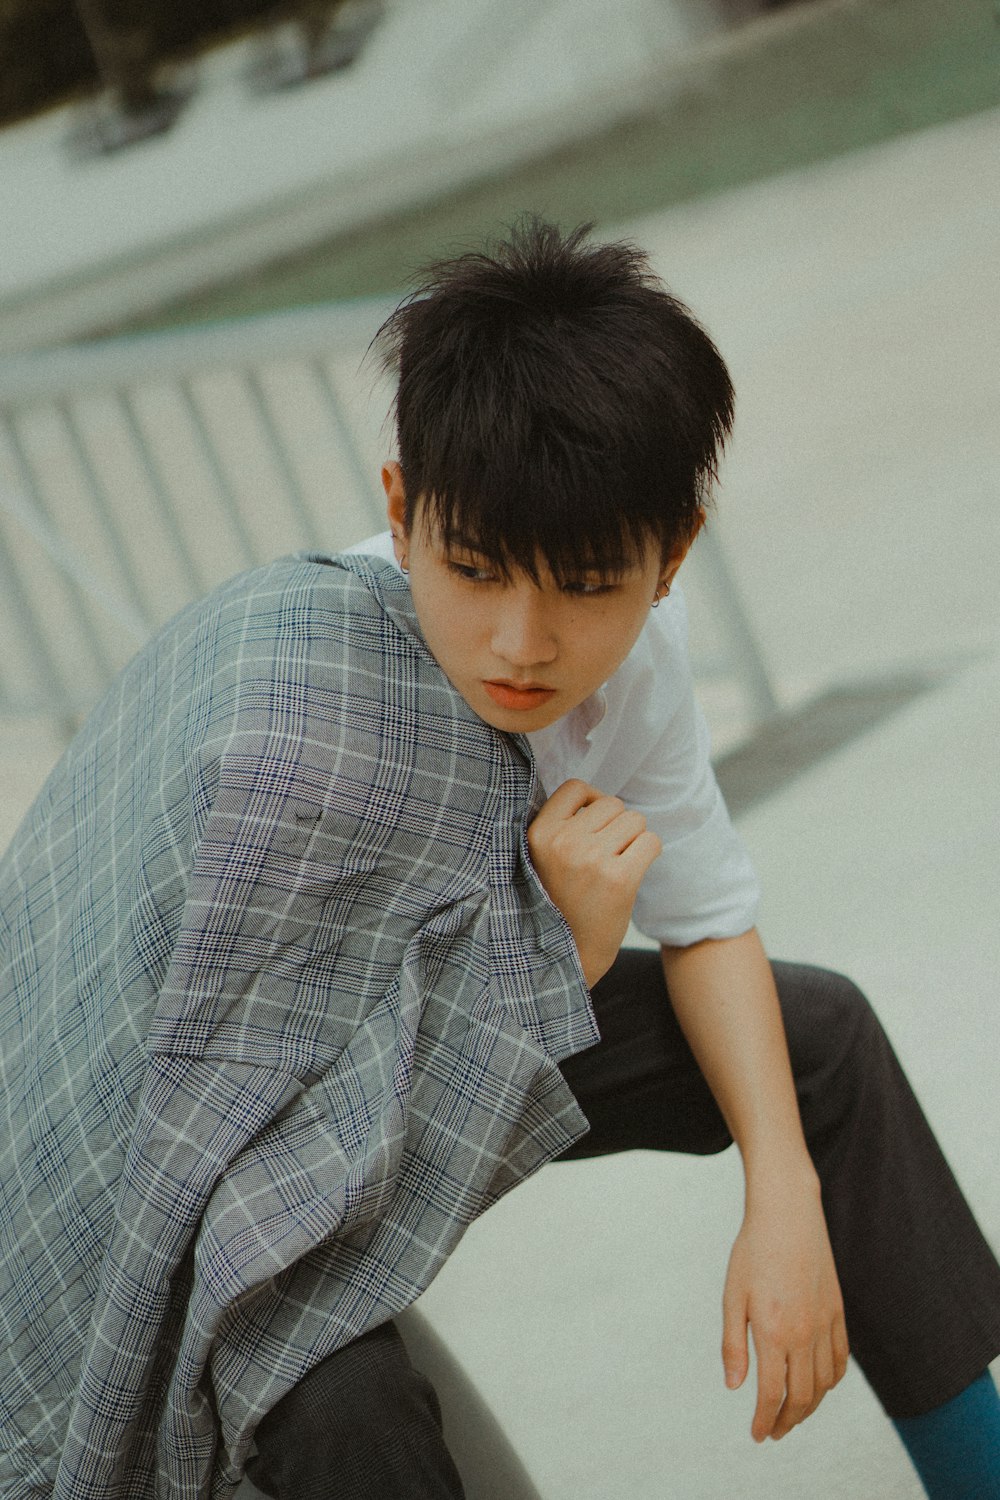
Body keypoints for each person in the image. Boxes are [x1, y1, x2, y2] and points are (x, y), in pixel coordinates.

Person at [0, 221, 997, 1500]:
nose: (521, 644)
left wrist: (783, 1190)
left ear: (669, 556)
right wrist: (564, 946)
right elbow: (241, 1114)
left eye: (585, 584)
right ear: (403, 511)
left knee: (823, 1045)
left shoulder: (632, 662)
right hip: (204, 1169)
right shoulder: (287, 708)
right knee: (330, 1394)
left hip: (439, 1055)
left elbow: (709, 920)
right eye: (471, 570)